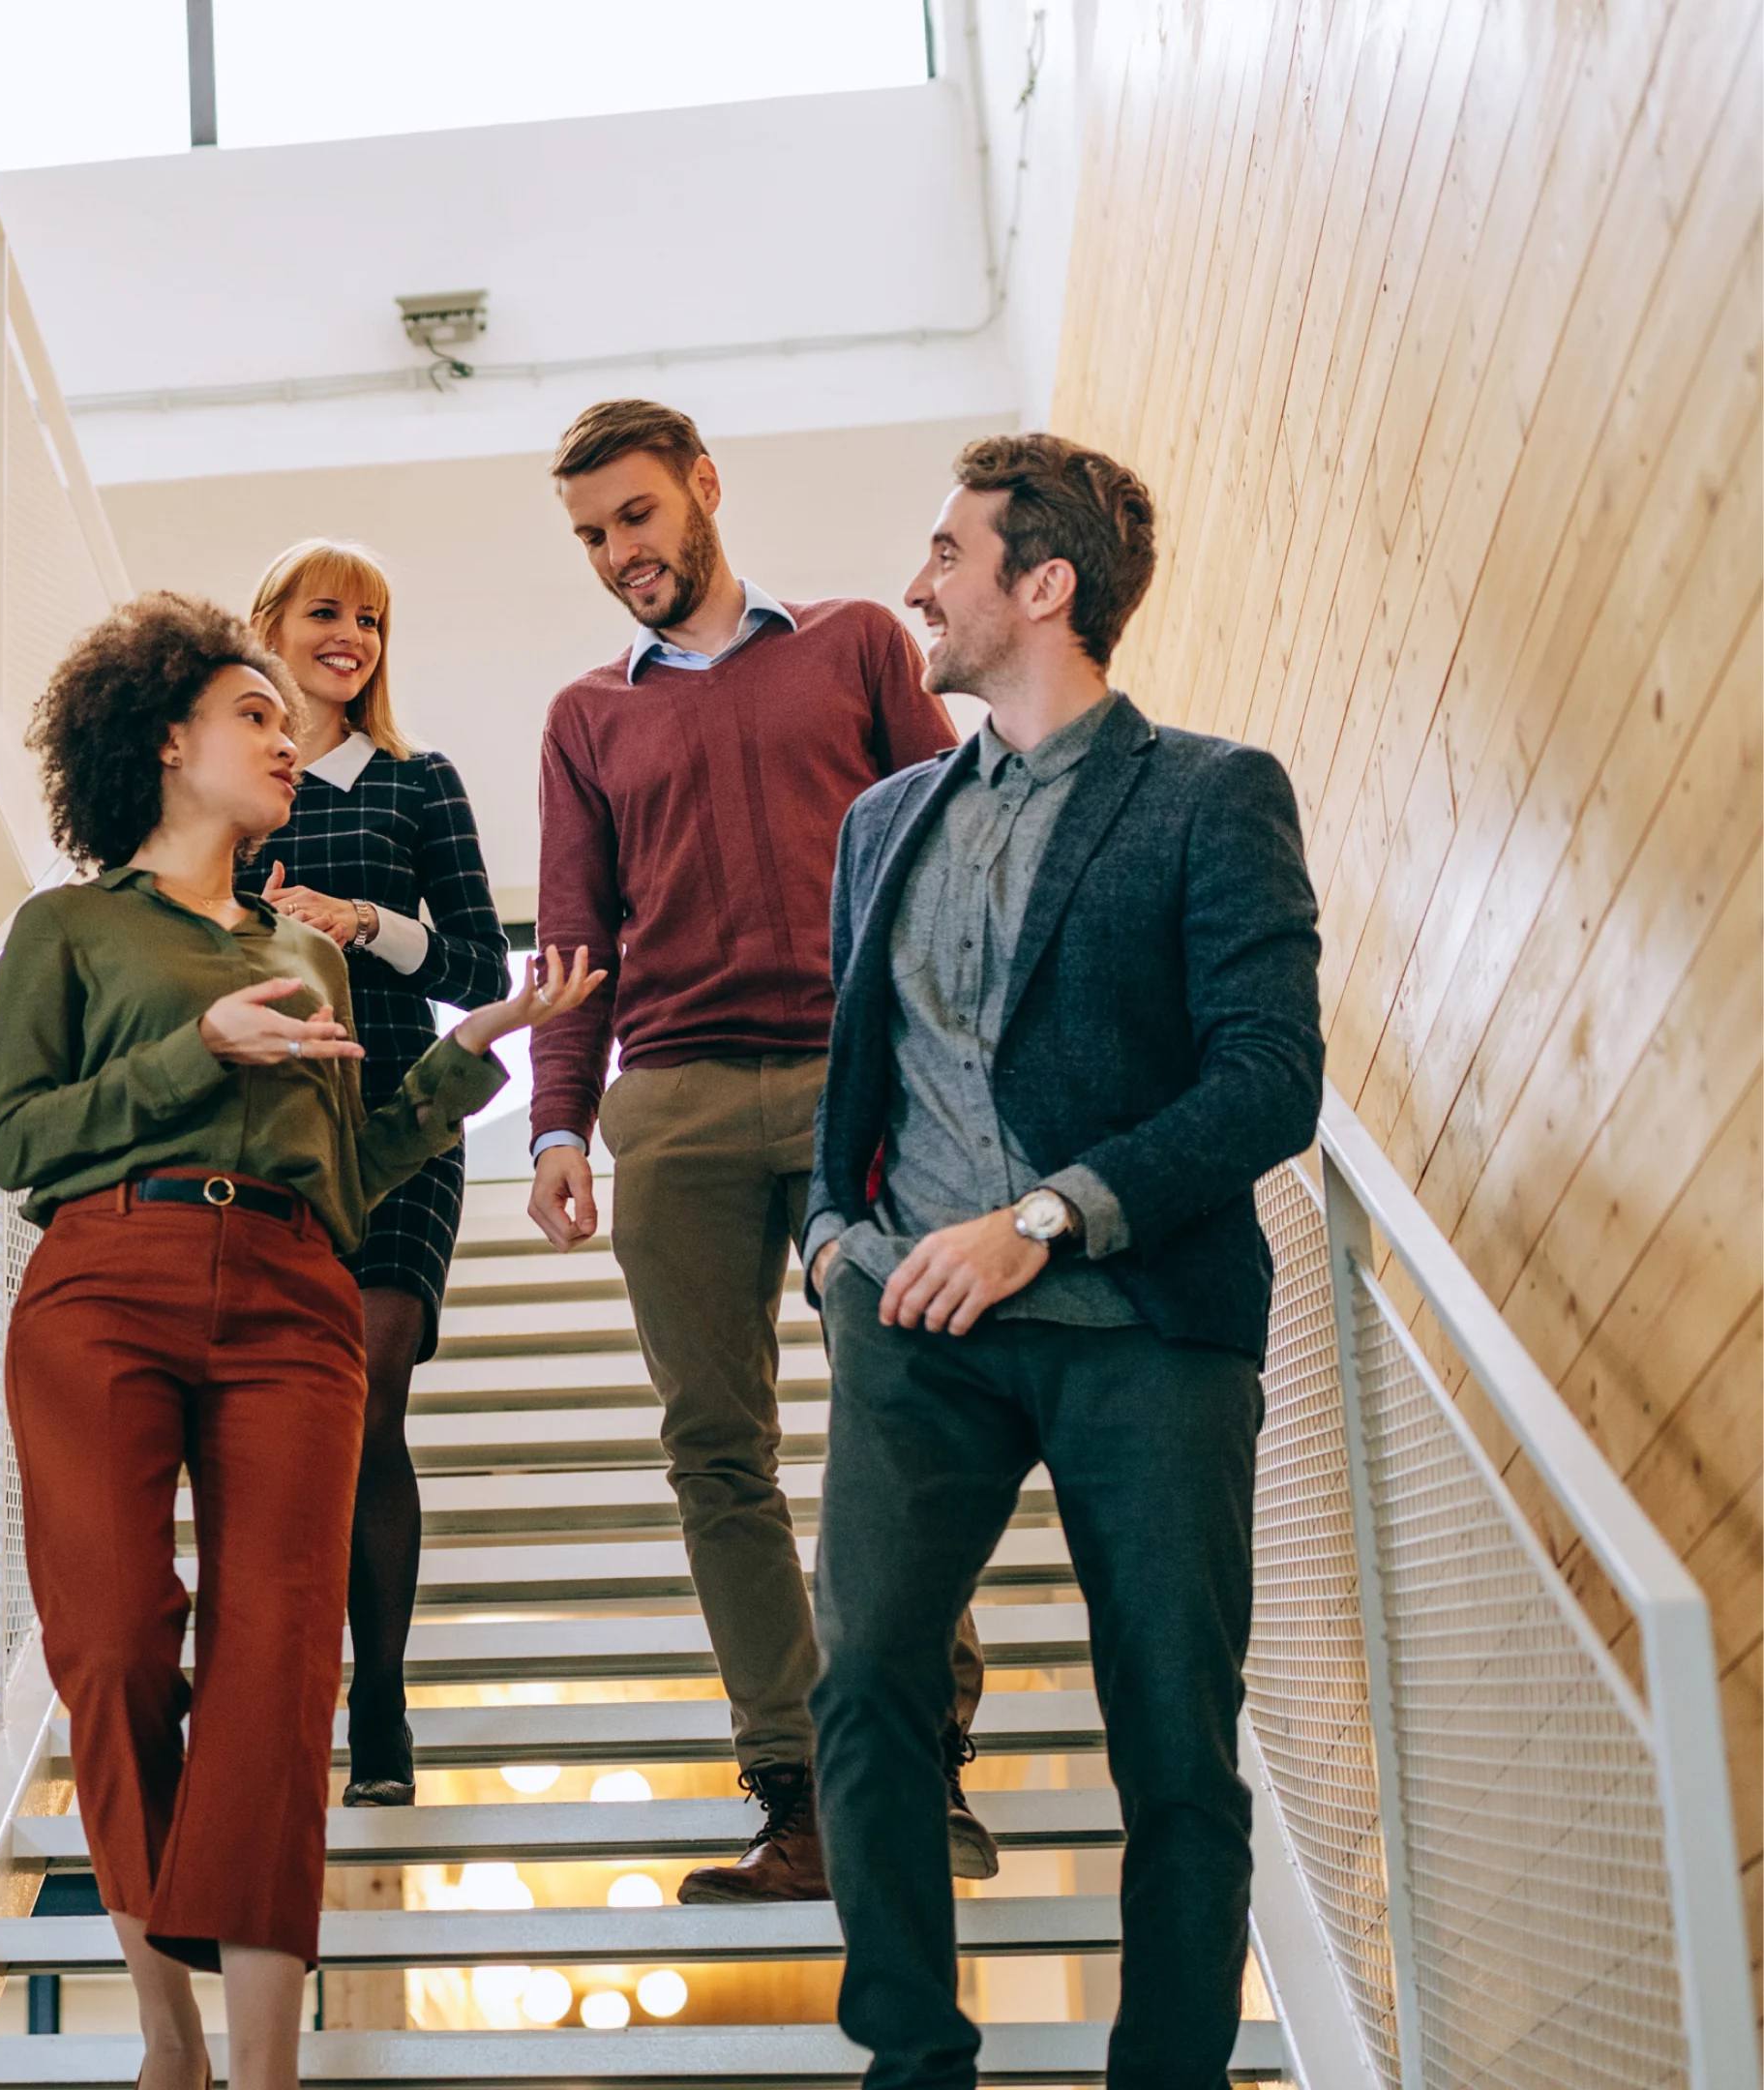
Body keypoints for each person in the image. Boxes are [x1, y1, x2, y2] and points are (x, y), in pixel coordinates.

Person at [0, 591, 599, 2090]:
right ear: (168, 741)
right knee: (120, 1635)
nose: (285, 739)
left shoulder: (309, 957)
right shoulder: (67, 930)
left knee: (279, 1664)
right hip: (105, 1276)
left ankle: (263, 2071)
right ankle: (168, 2040)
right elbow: (16, 1140)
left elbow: (354, 1157)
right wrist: (195, 1049)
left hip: (295, 1291)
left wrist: (468, 1060)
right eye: (253, 716)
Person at [803, 433, 1323, 2088]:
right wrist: (831, 1242)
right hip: (917, 1327)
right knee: (867, 1690)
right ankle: (912, 2066)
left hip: (1142, 1325)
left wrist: (1046, 1220)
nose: (915, 586)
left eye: (946, 553)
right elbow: (858, 1061)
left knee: (1175, 1743)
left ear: (1045, 586)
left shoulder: (1213, 792)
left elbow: (1267, 1078)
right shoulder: (883, 820)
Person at [526, 398, 992, 1901]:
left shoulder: (855, 641)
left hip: (866, 1082)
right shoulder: (587, 717)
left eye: (637, 518)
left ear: (703, 491)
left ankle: (916, 1765)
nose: (618, 555)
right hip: (669, 1100)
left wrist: (967, 1063)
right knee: (714, 1449)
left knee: (904, 1412)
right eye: (593, 535)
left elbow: (952, 847)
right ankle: (795, 1793)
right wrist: (555, 1120)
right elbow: (575, 936)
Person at [250, 537, 512, 1808]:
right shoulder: (241, 783)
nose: (349, 635)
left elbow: (478, 965)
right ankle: (299, 1680)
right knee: (289, 1425)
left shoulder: (419, 783)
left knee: (371, 1401)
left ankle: (384, 1698)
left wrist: (369, 925)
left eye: (370, 617)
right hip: (264, 1131)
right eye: (324, 612)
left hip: (406, 1115)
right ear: (271, 626)